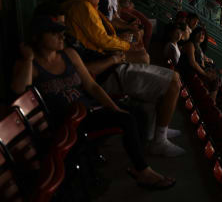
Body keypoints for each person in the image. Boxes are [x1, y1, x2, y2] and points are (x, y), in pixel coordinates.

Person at [11, 14, 176, 190]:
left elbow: (92, 87)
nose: (61, 36)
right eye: (54, 33)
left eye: (61, 32)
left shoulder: (69, 54)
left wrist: (114, 109)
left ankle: (137, 161)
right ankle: (142, 171)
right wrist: (28, 59)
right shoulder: (30, 65)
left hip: (87, 110)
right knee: (127, 119)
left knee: (134, 114)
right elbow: (20, 94)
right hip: (67, 122)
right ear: (37, 36)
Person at [62, 0, 184, 155]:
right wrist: (124, 46)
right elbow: (101, 40)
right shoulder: (82, 7)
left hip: (111, 65)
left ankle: (156, 129)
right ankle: (159, 139)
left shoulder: (78, 8)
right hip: (109, 72)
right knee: (173, 83)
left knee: (172, 78)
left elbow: (103, 36)